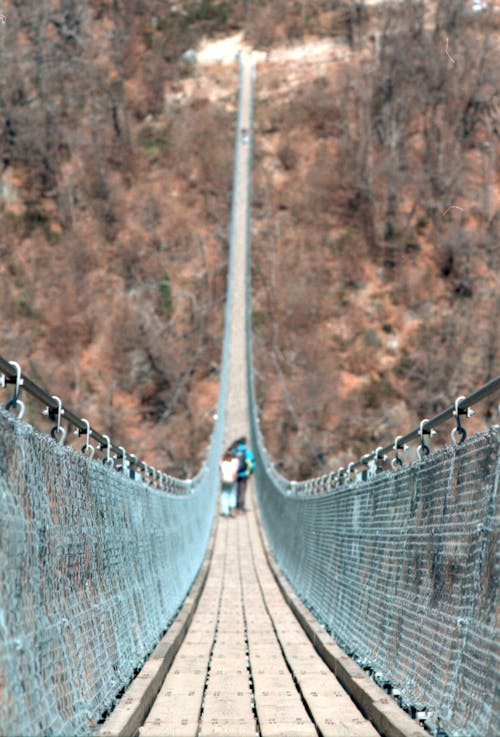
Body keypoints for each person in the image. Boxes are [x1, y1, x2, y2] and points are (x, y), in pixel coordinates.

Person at [231, 436, 255, 512]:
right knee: (243, 489)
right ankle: (241, 505)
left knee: (236, 488)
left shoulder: (234, 451)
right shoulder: (247, 452)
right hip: (244, 473)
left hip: (235, 473)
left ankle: (235, 504)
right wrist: (251, 472)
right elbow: (251, 464)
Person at [219, 450, 239, 517]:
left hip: (225, 480)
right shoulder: (235, 462)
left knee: (224, 494)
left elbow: (220, 465)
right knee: (232, 493)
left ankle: (225, 512)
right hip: (232, 480)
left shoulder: (222, 462)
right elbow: (237, 467)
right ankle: (231, 506)